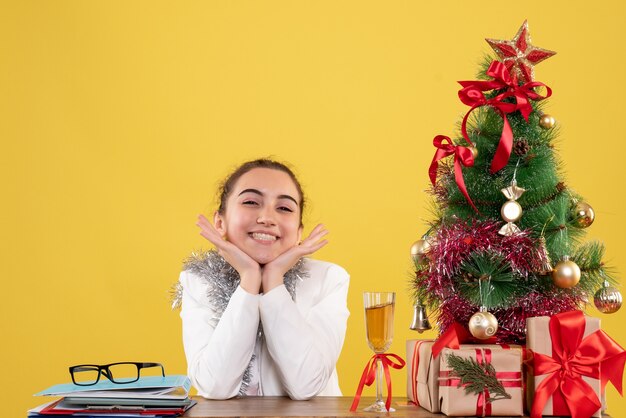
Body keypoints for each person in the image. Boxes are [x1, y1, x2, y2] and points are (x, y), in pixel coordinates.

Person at [177, 159, 350, 400]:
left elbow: (307, 386)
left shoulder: (328, 279)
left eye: (284, 208)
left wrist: (273, 280)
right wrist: (249, 278)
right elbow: (215, 386)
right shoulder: (197, 282)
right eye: (250, 202)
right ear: (220, 222)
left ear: (299, 232)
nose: (267, 218)